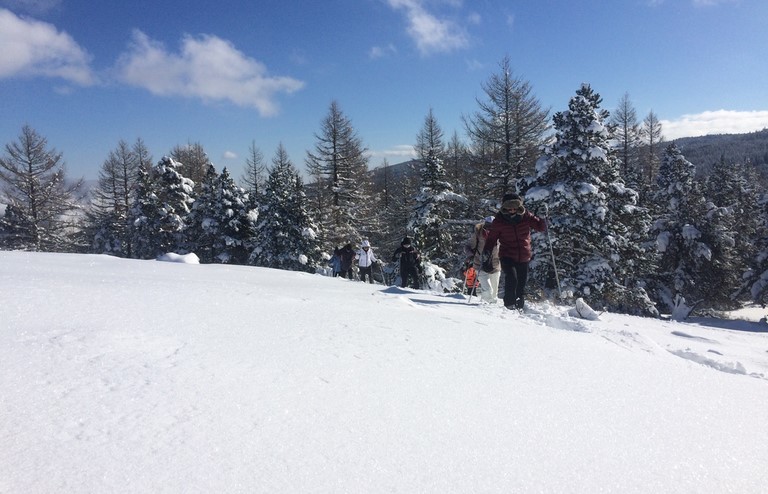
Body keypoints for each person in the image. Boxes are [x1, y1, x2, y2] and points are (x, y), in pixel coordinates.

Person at [482, 194, 546, 310]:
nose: (512, 211)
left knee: (521, 283)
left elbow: (540, 227)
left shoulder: (526, 216)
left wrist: (542, 217)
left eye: (514, 208)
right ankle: (509, 304)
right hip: (507, 254)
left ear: (519, 207)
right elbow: (491, 239)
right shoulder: (499, 221)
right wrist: (487, 251)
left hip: (524, 255)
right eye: (509, 208)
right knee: (512, 277)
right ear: (504, 208)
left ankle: (519, 305)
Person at [464, 216, 501, 304]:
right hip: (480, 264)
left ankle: (493, 306)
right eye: (488, 225)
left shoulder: (501, 234)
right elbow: (468, 246)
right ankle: (486, 305)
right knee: (488, 289)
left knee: (494, 291)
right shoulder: (478, 234)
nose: (490, 228)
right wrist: (471, 255)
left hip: (495, 264)